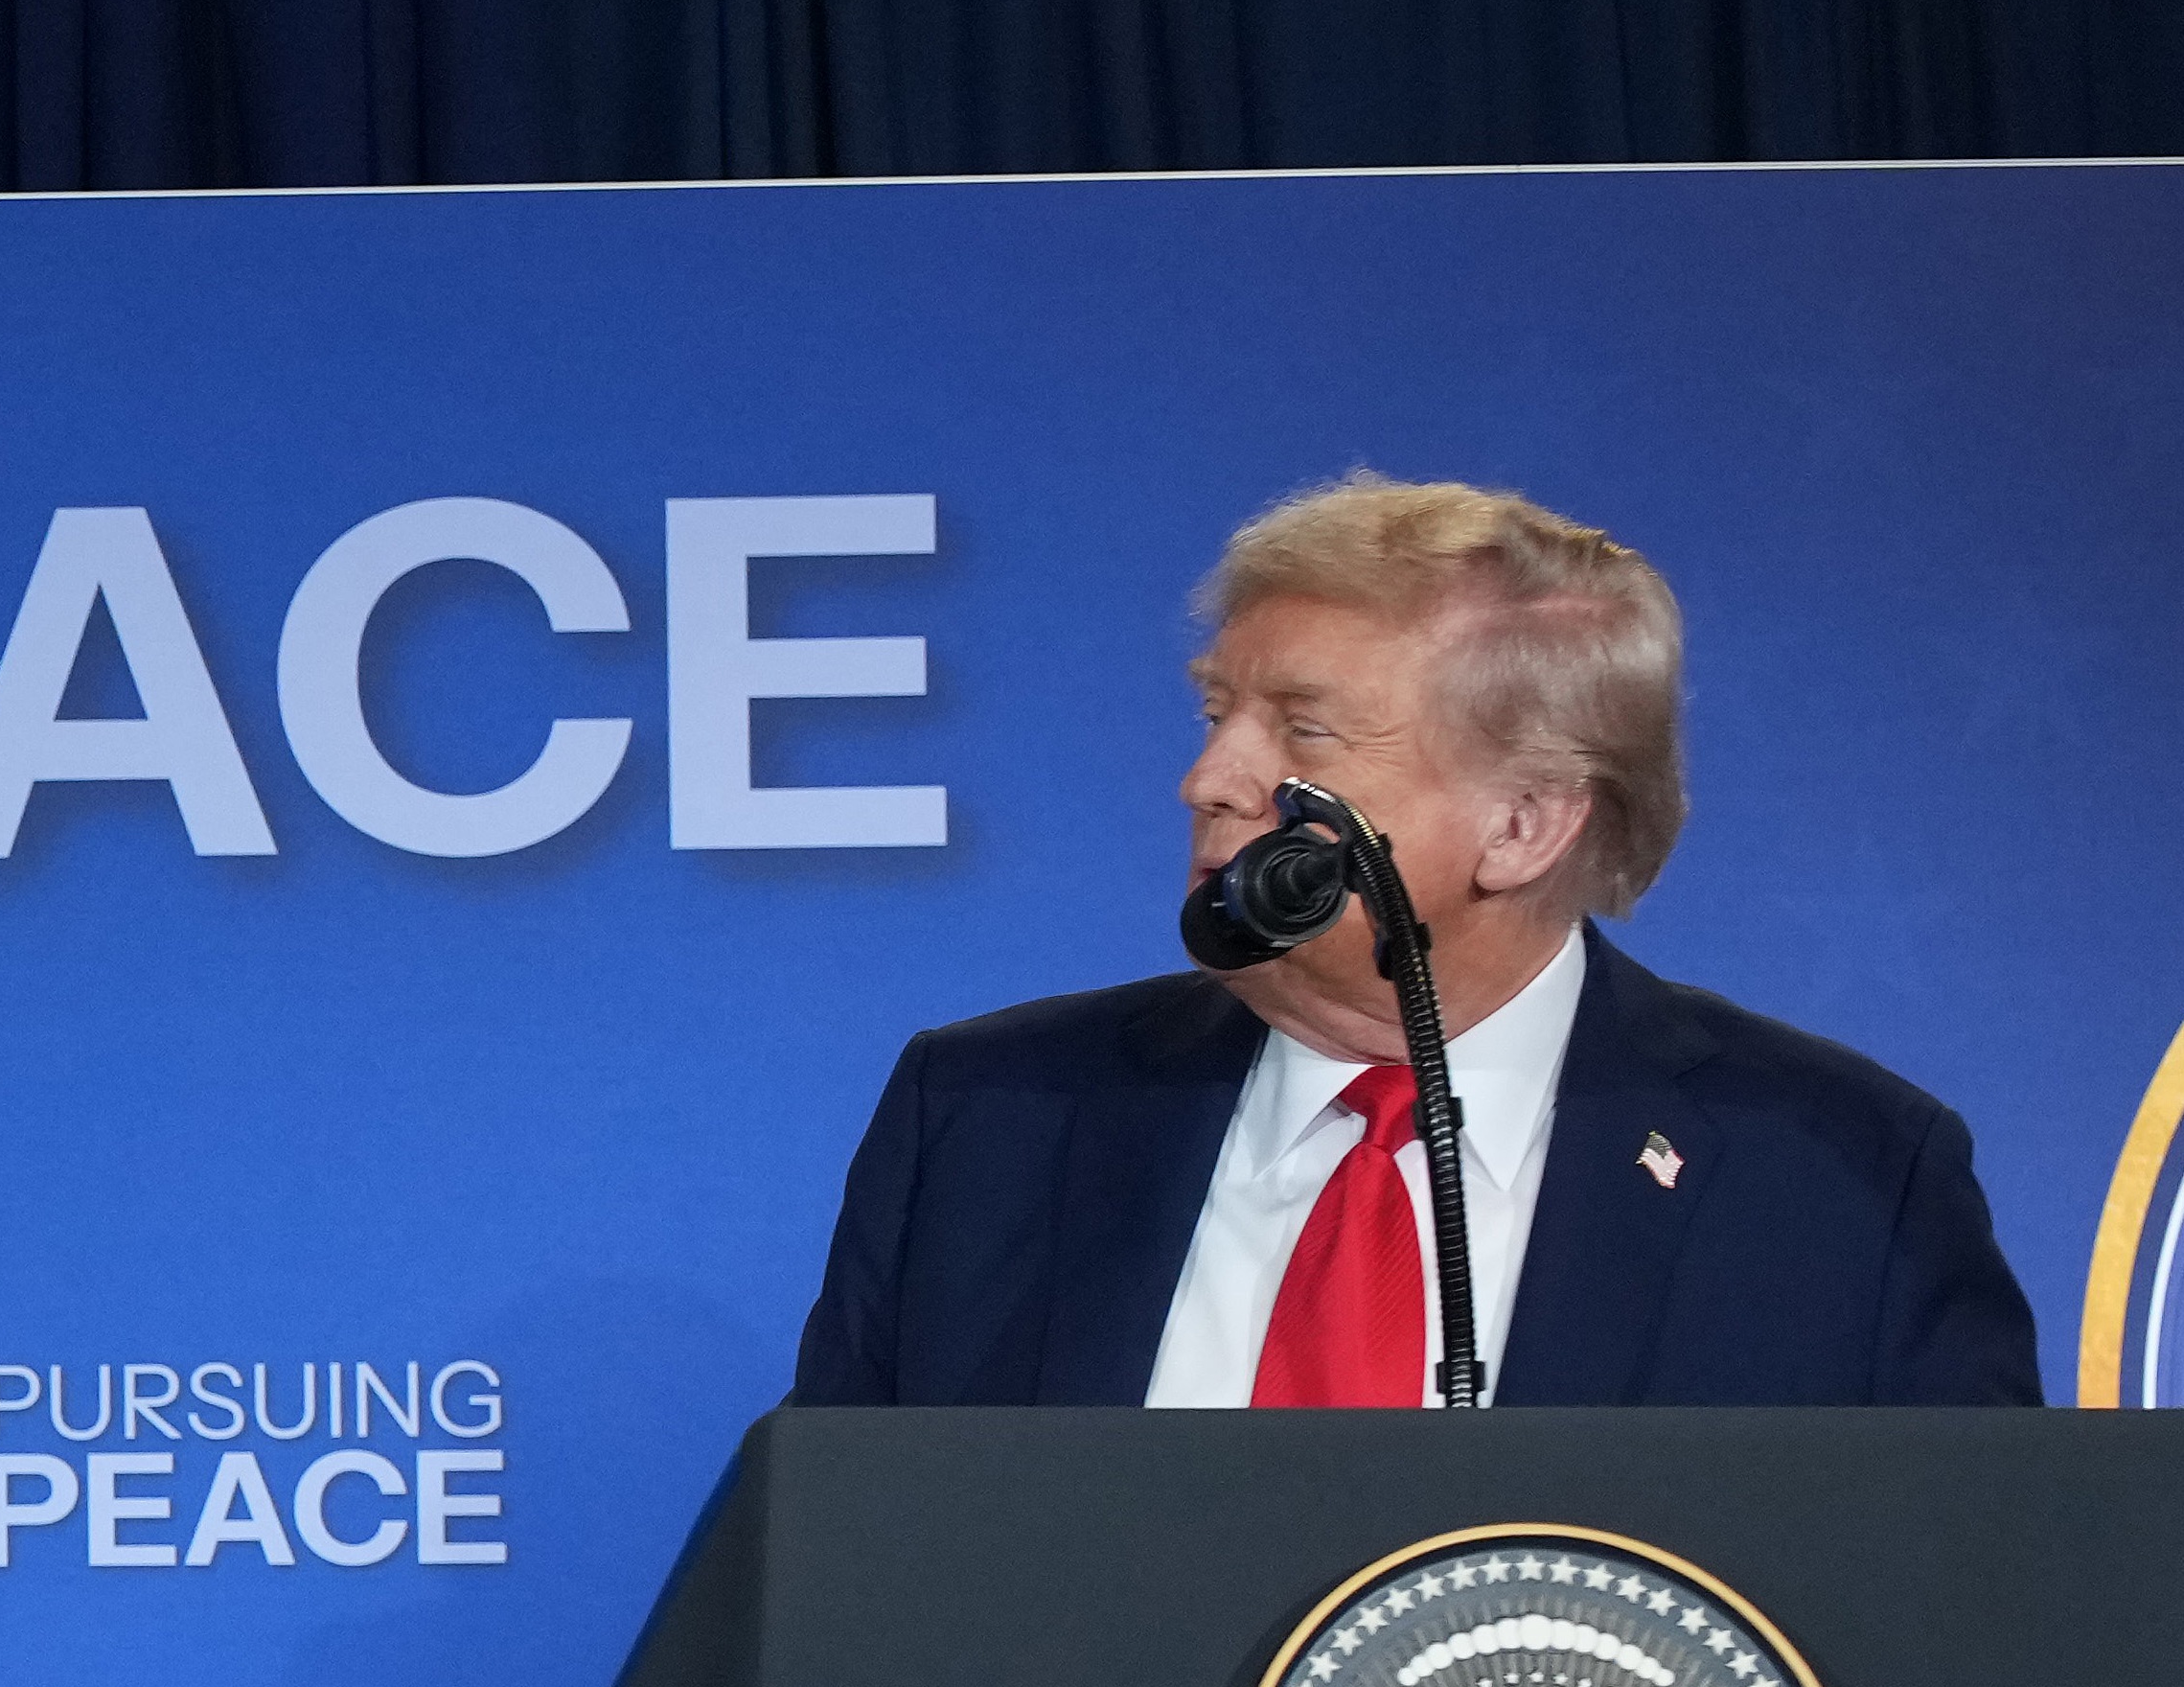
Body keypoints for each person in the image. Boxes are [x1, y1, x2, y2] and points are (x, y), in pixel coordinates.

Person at [787, 475, 2035, 1410]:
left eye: (1305, 735)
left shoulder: (1838, 1175)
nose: (1210, 777)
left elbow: (1953, 1635)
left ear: (1524, 824)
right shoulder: (991, 1121)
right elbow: (851, 1598)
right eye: (1220, 713)